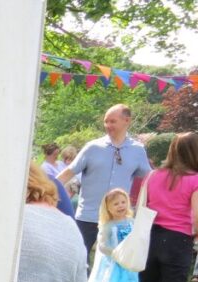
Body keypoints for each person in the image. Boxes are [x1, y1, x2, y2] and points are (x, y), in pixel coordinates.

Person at [108, 131, 198, 282]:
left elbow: (144, 206)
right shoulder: (195, 180)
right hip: (179, 241)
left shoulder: (154, 175)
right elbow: (196, 218)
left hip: (152, 237)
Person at [57, 104, 151, 262]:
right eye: (106, 122)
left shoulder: (138, 150)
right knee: (76, 260)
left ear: (126, 121)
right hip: (87, 216)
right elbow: (67, 173)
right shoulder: (92, 147)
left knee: (114, 265)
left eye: (112, 121)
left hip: (117, 220)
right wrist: (45, 189)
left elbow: (150, 179)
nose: (108, 125)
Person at [83, 188, 156, 282]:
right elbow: (102, 246)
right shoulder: (108, 226)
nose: (121, 206)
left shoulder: (131, 221)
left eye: (123, 202)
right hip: (113, 265)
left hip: (129, 263)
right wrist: (115, 253)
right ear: (108, 208)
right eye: (116, 204)